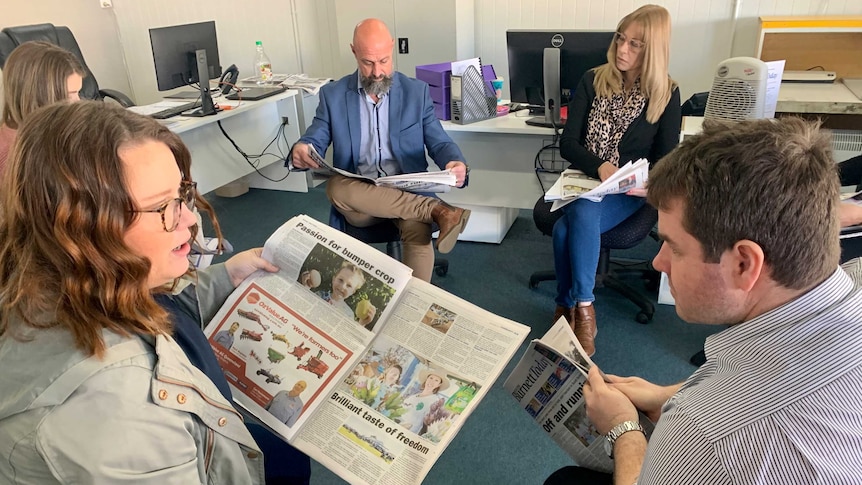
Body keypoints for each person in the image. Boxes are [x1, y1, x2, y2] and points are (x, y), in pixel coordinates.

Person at [0, 101, 308, 484]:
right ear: (85, 227)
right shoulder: (119, 405)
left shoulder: (59, 274)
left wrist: (227, 274)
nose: (190, 218)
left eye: (182, 195)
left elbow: (163, 300)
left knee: (287, 458)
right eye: (162, 207)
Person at [547, 117, 862, 485]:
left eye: (675, 248)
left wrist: (624, 429)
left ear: (744, 264)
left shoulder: (704, 436)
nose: (657, 262)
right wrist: (668, 394)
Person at [289, 18, 471, 282]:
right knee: (337, 188)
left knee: (417, 231)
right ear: (354, 52)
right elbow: (316, 135)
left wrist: (455, 161)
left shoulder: (415, 92)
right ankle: (436, 210)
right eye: (368, 62)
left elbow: (439, 142)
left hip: (406, 189)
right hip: (360, 204)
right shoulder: (333, 95)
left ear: (392, 49)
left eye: (384, 61)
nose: (377, 72)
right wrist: (303, 148)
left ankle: (412, 311)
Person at [553, 4, 681, 356]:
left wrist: (639, 181)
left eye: (635, 44)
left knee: (574, 220)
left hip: (628, 193)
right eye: (620, 39)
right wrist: (600, 168)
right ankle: (582, 307)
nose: (622, 50)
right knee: (575, 217)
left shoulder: (666, 94)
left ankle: (569, 305)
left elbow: (667, 162)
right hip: (585, 180)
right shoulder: (592, 80)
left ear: (653, 50)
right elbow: (568, 144)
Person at [0, 40, 84, 173]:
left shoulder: (48, 129)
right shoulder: (13, 157)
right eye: (70, 95)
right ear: (38, 94)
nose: (78, 102)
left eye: (78, 92)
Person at [317, 261, 376, 326]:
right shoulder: (319, 295)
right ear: (334, 279)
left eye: (349, 285)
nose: (342, 286)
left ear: (353, 292)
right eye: (340, 280)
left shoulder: (349, 314)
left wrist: (361, 323)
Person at [400, 367, 450, 434]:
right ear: (427, 379)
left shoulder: (434, 402)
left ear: (439, 385)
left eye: (436, 380)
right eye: (431, 378)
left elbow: (425, 424)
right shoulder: (414, 395)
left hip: (407, 432)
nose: (432, 381)